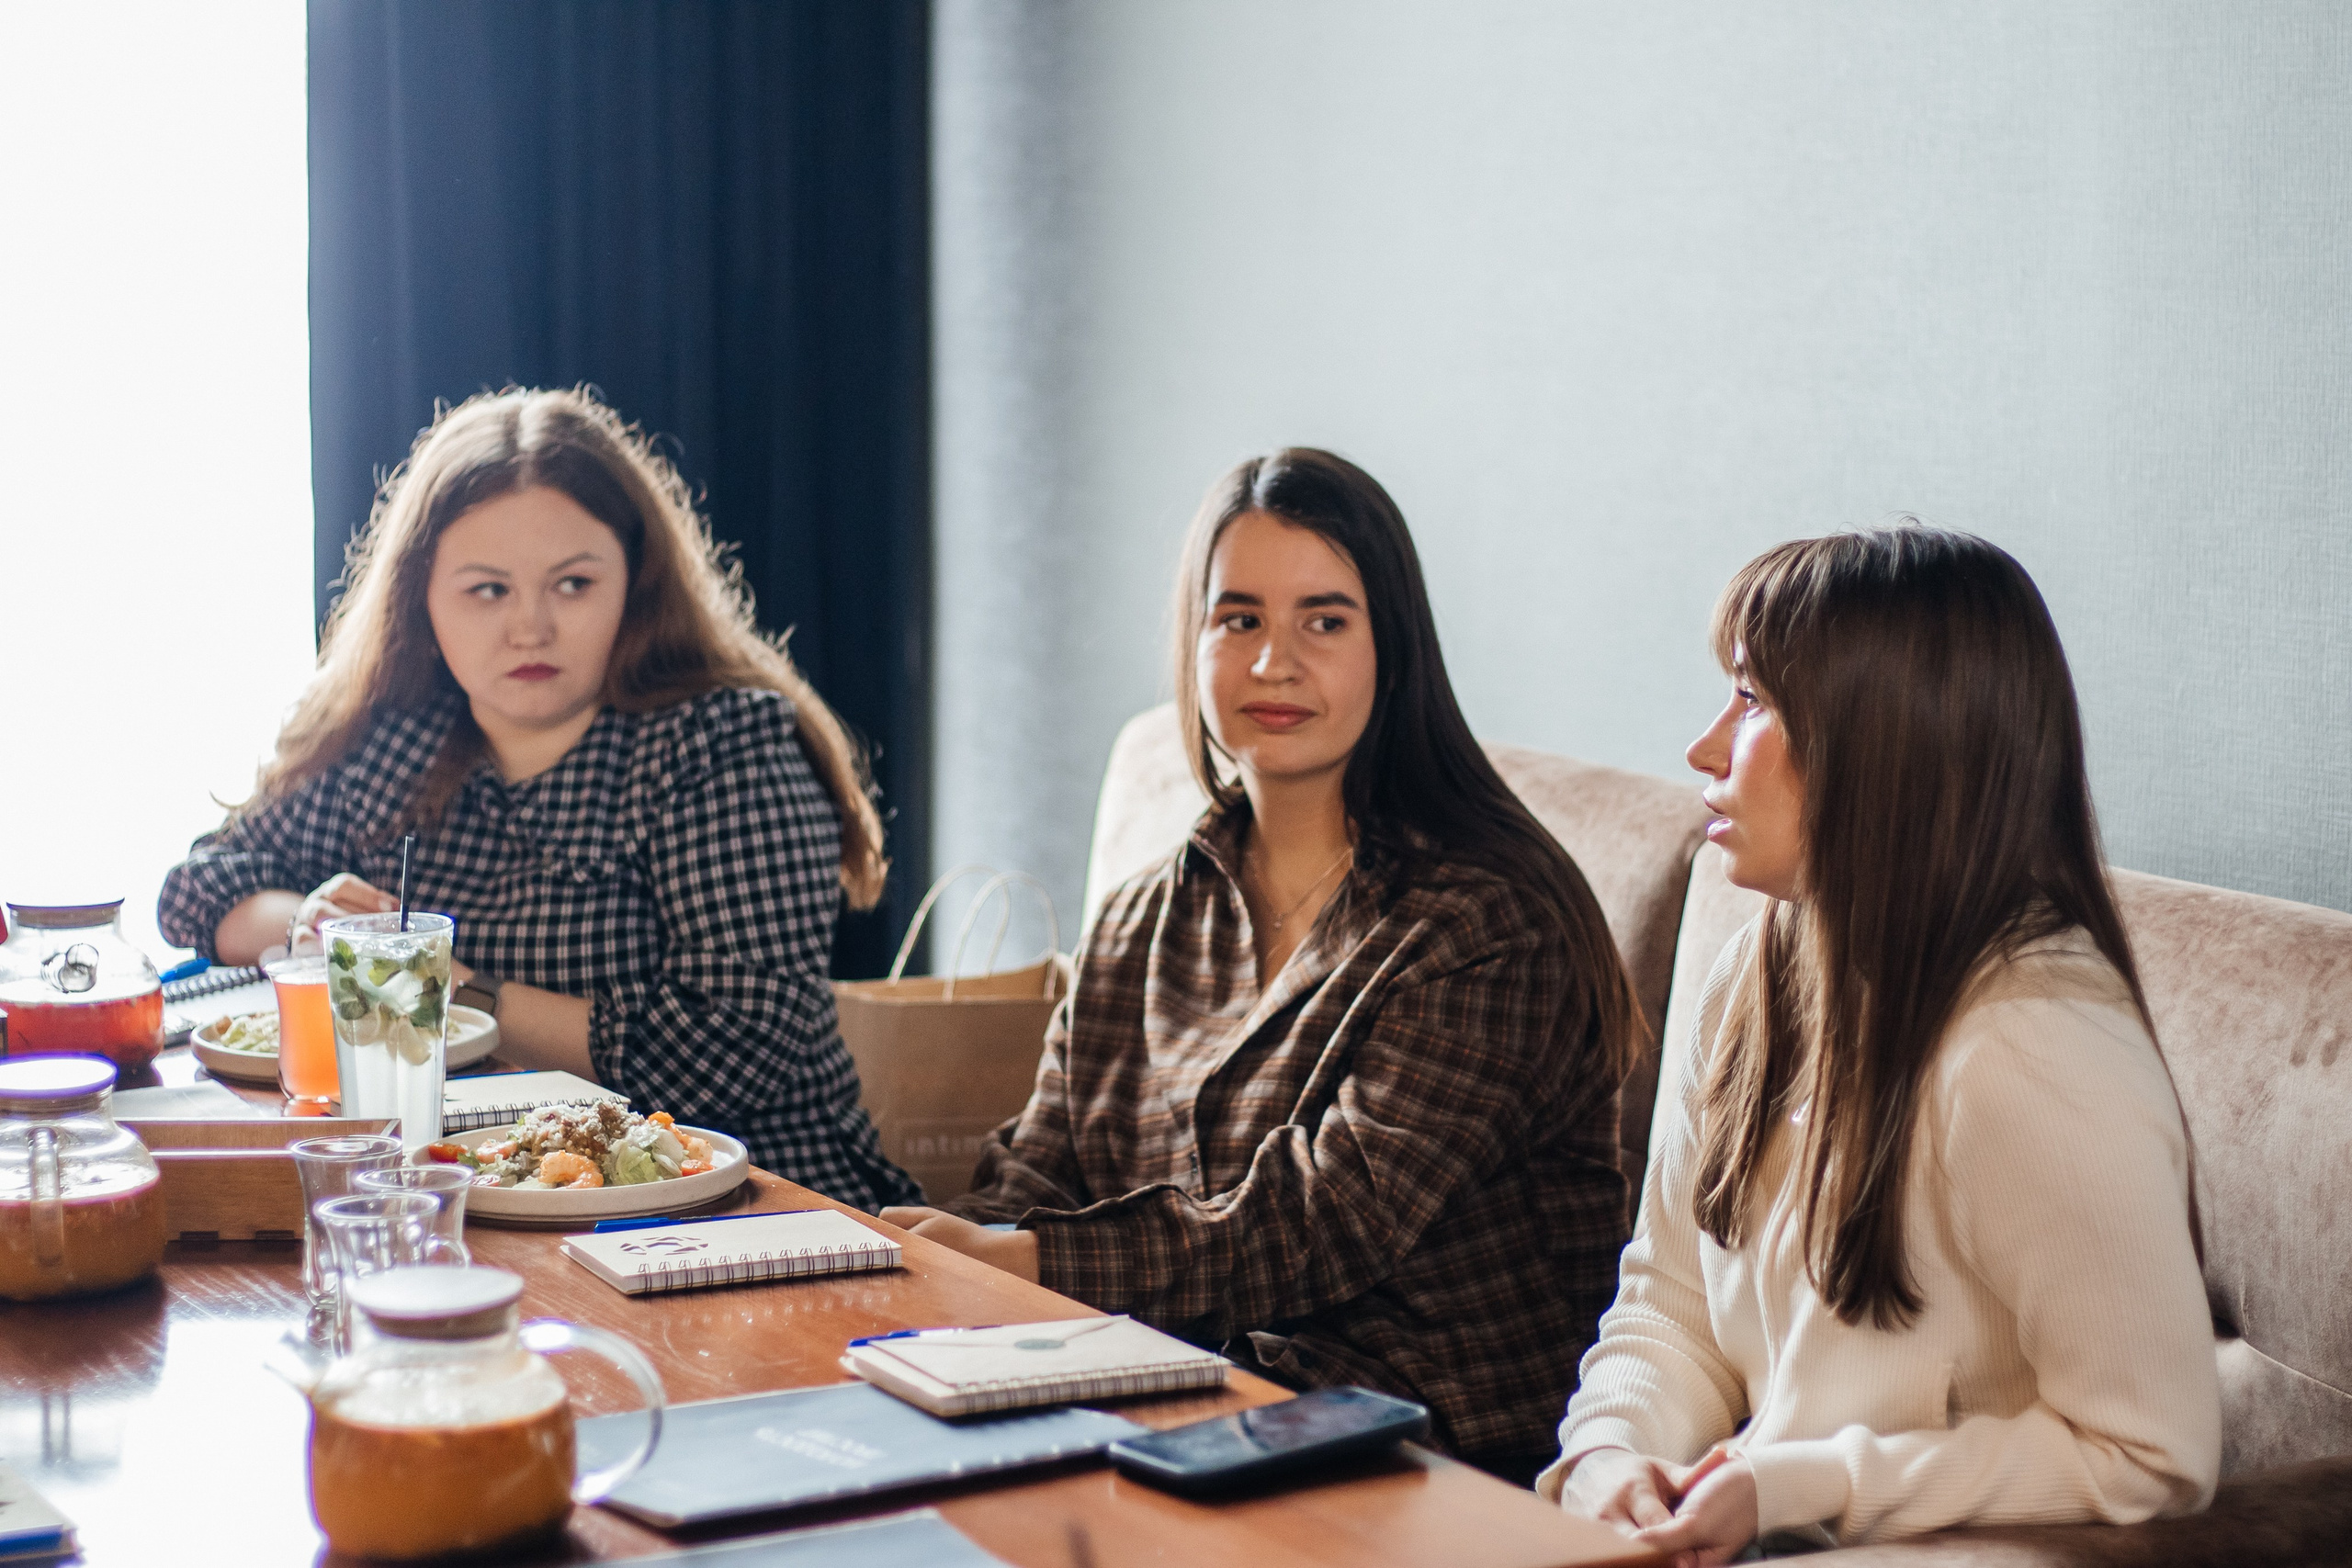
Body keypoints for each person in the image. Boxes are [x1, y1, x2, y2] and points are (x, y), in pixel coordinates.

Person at [881, 448, 1642, 1478]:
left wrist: (1025, 1261)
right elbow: (1038, 1168)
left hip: (1424, 1446)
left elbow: (1326, 1219)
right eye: (1237, 619)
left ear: (1394, 647)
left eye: (1322, 621)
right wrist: (933, 1266)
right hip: (1177, 1390)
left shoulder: (1489, 918)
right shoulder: (1143, 916)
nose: (1272, 662)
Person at [1547, 525, 2218, 1559]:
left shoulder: (2029, 1050)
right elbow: (1669, 1305)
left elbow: (2153, 1456)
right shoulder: (1759, 972)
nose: (1705, 747)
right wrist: (1606, 1456)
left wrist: (1799, 1484)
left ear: (1885, 745)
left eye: (1753, 700)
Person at [158, 387, 920, 1210]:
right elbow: (197, 889)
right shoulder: (392, 739)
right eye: (487, 590)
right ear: (420, 595)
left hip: (746, 1202)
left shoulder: (722, 743)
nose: (529, 628)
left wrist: (449, 988)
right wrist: (328, 931)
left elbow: (740, 1046)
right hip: (483, 1189)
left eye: (573, 584)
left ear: (635, 581)